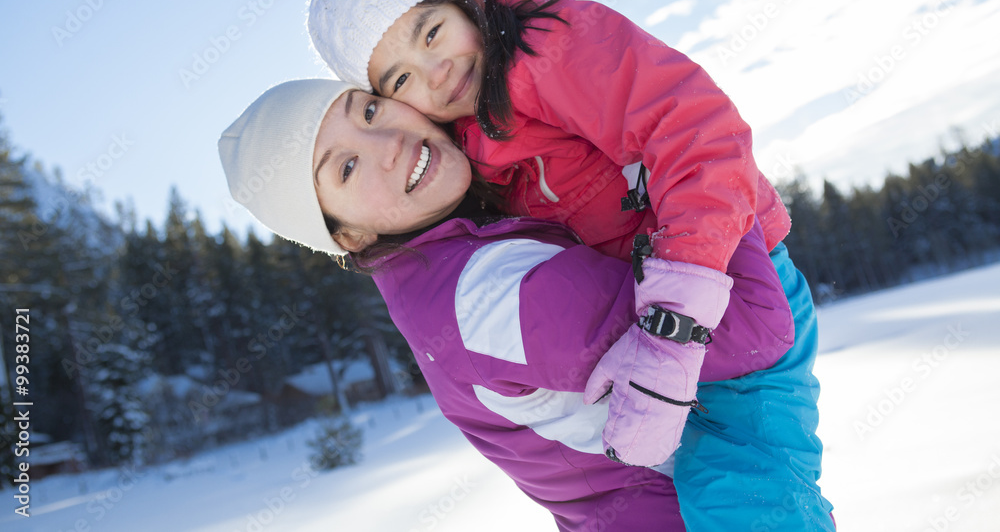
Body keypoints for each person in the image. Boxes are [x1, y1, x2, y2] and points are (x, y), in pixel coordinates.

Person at [306, 0, 835, 529]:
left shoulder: (550, 49)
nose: (437, 72)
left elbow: (694, 130)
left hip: (726, 273)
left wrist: (671, 328)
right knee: (726, 487)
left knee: (746, 497)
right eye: (402, 78)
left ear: (466, 1)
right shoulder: (472, 137)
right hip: (696, 311)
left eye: (432, 33)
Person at [218, 79, 800, 531]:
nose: (387, 145)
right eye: (346, 167)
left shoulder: (461, 247)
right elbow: (749, 328)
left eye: (367, 111)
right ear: (346, 236)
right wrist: (697, 170)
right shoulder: (483, 297)